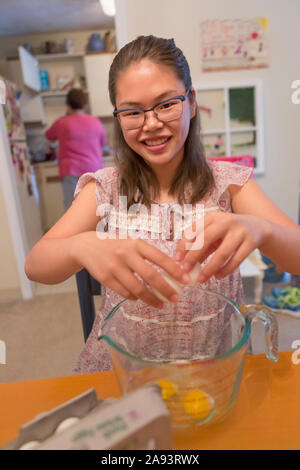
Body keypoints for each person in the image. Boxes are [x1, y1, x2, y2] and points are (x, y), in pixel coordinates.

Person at [25, 35, 300, 374]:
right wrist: (81, 245)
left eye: (166, 104)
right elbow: (36, 265)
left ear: (192, 102)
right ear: (118, 117)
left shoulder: (230, 184)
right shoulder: (106, 188)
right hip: (123, 372)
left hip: (208, 373)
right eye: (132, 111)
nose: (151, 123)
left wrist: (263, 229)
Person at [45, 88, 107, 209]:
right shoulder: (95, 122)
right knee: (96, 208)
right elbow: (103, 143)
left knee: (73, 209)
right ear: (84, 104)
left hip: (71, 171)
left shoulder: (62, 122)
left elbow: (48, 136)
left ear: (68, 105)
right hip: (93, 171)